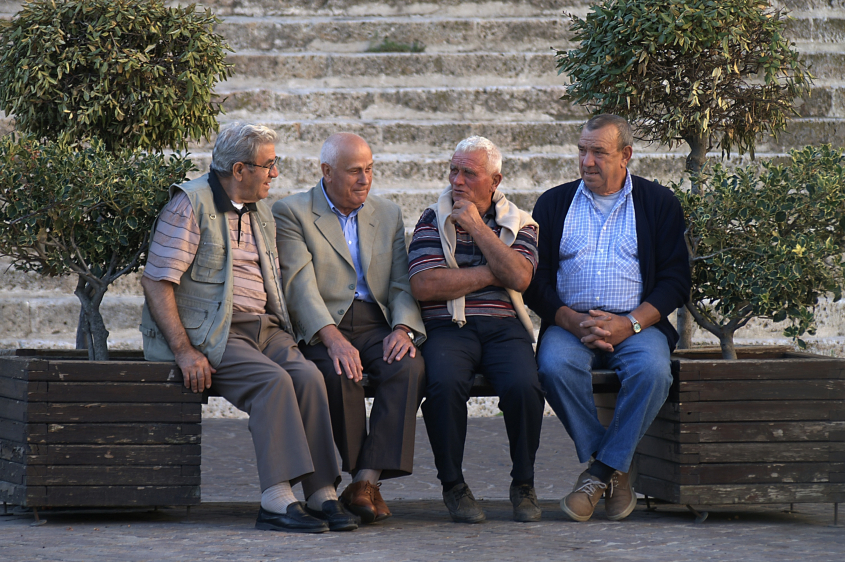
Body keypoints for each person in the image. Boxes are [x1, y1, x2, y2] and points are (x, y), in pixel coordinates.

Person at [140, 123, 357, 533]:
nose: (275, 173)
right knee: (273, 382)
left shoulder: (260, 211)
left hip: (265, 326)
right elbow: (156, 280)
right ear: (239, 170)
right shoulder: (190, 204)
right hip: (214, 332)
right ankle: (276, 500)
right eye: (268, 165)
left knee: (309, 376)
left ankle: (321, 492)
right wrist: (185, 350)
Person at [524, 114, 690, 522]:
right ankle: (617, 472)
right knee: (553, 366)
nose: (587, 161)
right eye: (582, 150)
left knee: (654, 371)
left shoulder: (658, 203)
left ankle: (598, 473)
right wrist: (567, 319)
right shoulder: (553, 202)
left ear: (626, 156)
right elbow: (535, 280)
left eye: (599, 152)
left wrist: (629, 324)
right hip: (570, 325)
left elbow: (674, 281)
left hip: (636, 326)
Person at [272, 133, 426, 524]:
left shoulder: (387, 213)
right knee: (340, 371)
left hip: (375, 321)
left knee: (408, 366)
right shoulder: (292, 211)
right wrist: (334, 338)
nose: (365, 180)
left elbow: (400, 284)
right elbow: (299, 287)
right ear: (326, 171)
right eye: (355, 171)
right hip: (325, 323)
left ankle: (363, 481)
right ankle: (363, 484)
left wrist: (403, 329)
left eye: (370, 170)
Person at [408, 136, 545, 524]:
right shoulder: (431, 218)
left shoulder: (521, 222)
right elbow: (424, 285)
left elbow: (520, 277)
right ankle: (453, 485)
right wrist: (494, 273)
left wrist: (475, 227)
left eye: (469, 173)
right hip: (448, 326)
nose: (458, 181)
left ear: (495, 181)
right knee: (443, 385)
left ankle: (524, 483)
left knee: (525, 387)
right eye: (454, 170)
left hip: (504, 326)